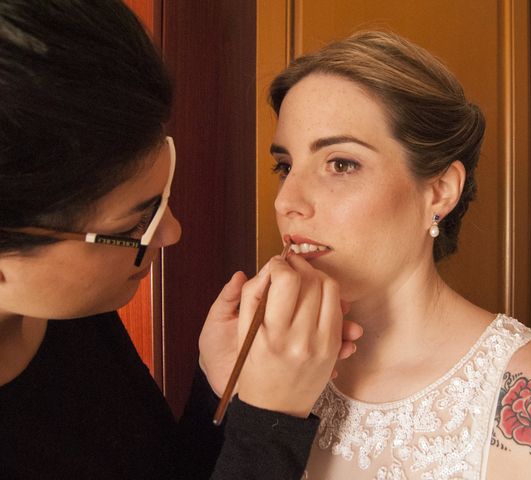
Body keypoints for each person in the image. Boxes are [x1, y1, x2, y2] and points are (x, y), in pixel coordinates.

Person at [0, 1, 361, 479]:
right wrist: (269, 420)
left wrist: (219, 386)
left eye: (341, 163)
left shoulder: (65, 307)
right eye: (136, 223)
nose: (171, 231)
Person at [267, 31, 531, 479]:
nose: (287, 201)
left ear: (440, 191)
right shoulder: (267, 366)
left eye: (341, 164)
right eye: (285, 167)